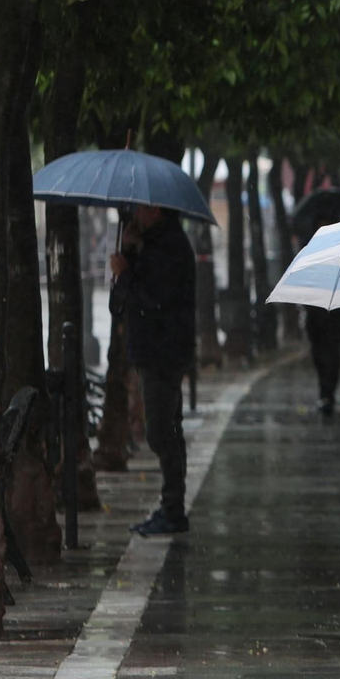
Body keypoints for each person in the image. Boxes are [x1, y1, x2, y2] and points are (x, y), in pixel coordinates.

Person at [110, 204, 197, 536]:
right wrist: (128, 255)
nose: (135, 214)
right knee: (167, 428)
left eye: (141, 208)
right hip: (151, 350)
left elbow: (152, 296)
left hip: (164, 352)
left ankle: (173, 507)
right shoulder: (151, 244)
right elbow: (119, 302)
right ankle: (173, 506)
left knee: (160, 431)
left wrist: (125, 272)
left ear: (157, 209)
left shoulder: (170, 246)